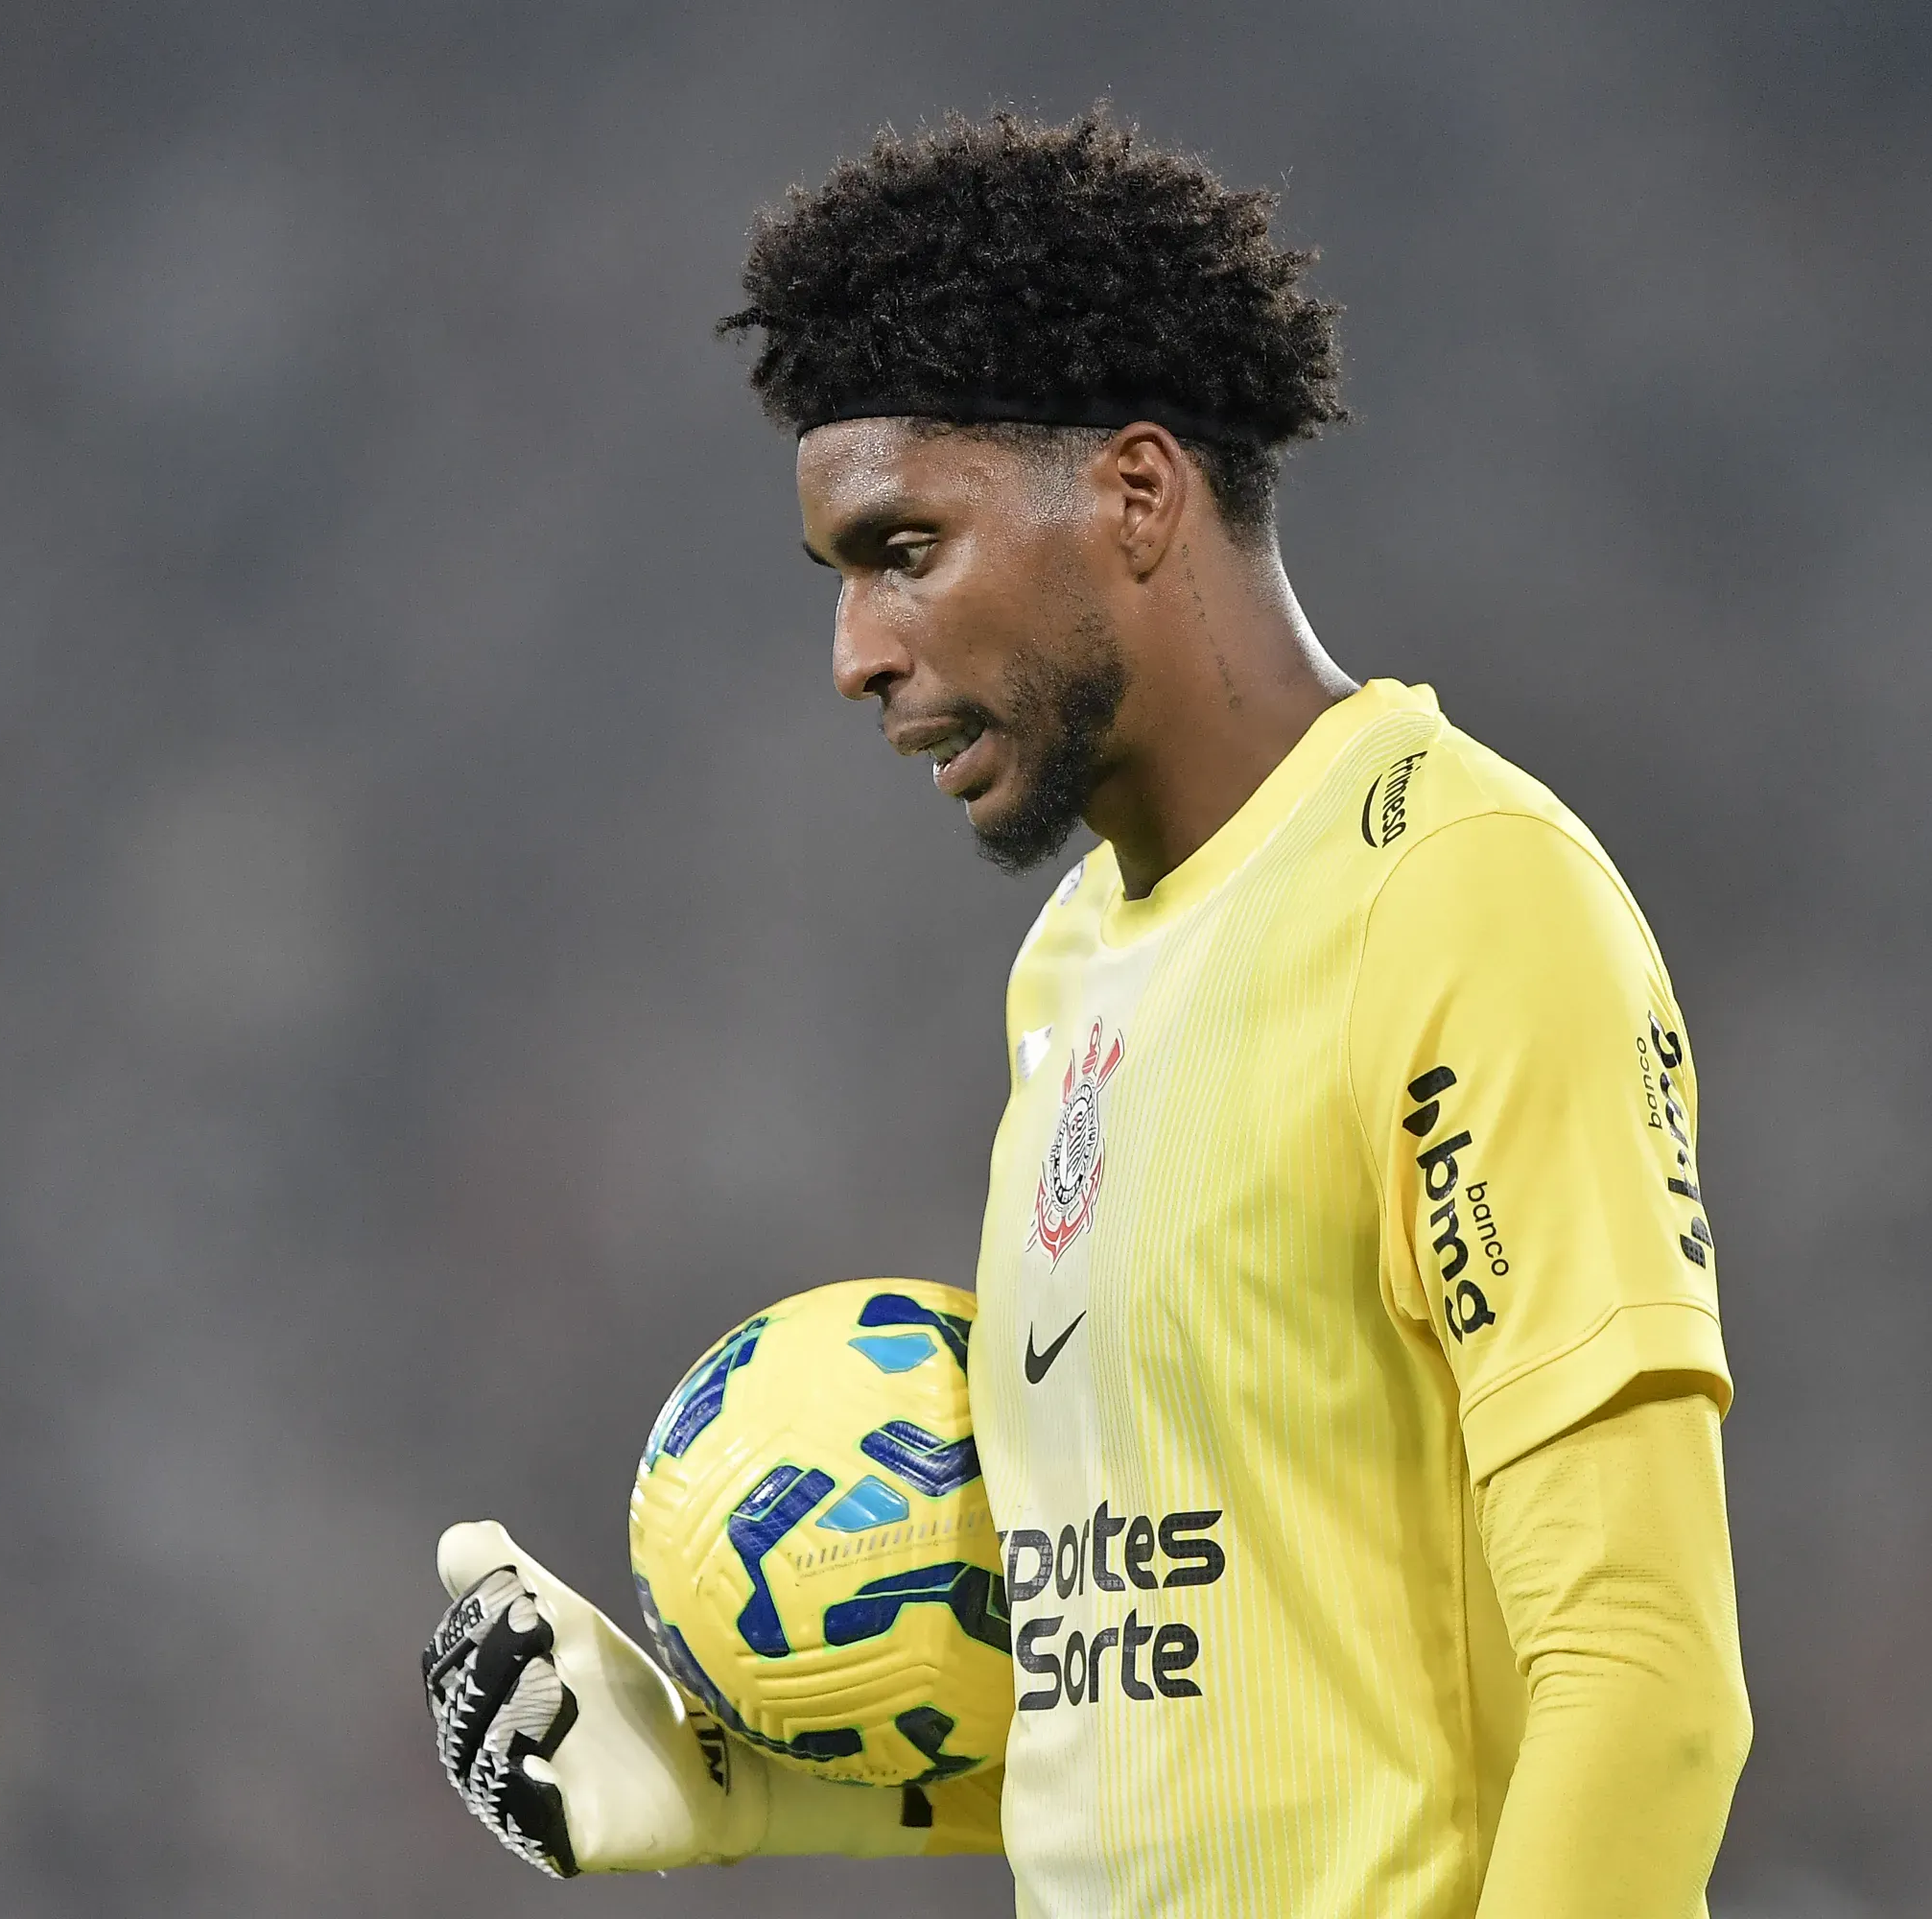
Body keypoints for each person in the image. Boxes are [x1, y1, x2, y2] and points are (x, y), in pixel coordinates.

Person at [422, 108, 1753, 1918]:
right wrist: (731, 1784)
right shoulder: (1074, 974)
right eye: (839, 580)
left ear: (1134, 493)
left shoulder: (1456, 898)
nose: (857, 654)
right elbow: (1170, 1724)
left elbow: (1643, 1685)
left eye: (906, 550)